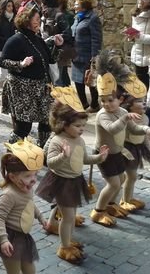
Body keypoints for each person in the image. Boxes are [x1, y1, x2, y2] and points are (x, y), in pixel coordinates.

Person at [36, 88, 108, 264]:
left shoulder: (79, 140)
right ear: (64, 124)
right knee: (68, 217)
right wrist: (63, 156)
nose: (81, 129)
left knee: (69, 213)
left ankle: (63, 235)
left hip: (75, 180)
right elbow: (50, 163)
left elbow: (84, 159)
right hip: (61, 182)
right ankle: (64, 246)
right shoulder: (57, 140)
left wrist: (99, 158)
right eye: (77, 126)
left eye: (83, 125)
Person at [89, 54, 150, 227]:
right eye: (103, 100)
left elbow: (134, 128)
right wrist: (125, 118)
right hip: (104, 154)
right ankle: (98, 211)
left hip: (117, 153)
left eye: (110, 100)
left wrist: (148, 130)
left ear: (120, 100)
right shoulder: (102, 115)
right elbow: (112, 129)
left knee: (121, 179)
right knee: (113, 183)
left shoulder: (122, 112)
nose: (106, 104)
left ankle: (111, 205)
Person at [0, 140, 47, 274]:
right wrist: (3, 240)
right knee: (13, 272)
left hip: (23, 238)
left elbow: (30, 204)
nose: (33, 180)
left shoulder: (27, 188)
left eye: (35, 174)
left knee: (30, 271)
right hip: (10, 238)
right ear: (13, 177)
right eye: (28, 176)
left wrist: (41, 217)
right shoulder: (9, 195)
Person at [0, 7, 62, 147]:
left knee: (47, 122)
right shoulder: (15, 40)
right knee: (24, 126)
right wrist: (20, 64)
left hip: (42, 88)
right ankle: (13, 151)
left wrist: (58, 47)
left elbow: (50, 60)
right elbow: (2, 61)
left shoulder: (38, 39)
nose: (39, 22)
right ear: (26, 21)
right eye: (37, 20)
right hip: (22, 89)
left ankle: (43, 150)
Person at [120, 90, 150, 211]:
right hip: (126, 148)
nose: (144, 103)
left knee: (132, 176)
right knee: (130, 176)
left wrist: (148, 148)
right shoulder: (127, 118)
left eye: (144, 101)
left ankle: (128, 198)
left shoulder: (145, 117)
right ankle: (124, 201)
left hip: (136, 148)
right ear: (130, 106)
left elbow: (145, 136)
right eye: (139, 101)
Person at [71, 0, 102, 113]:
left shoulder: (93, 18)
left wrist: (94, 57)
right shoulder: (78, 17)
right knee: (78, 81)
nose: (74, 6)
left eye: (76, 4)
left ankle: (94, 104)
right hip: (76, 55)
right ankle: (83, 105)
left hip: (87, 56)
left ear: (83, 7)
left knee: (90, 80)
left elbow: (97, 39)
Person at [41, 0, 73, 87]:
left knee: (57, 79)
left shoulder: (59, 16)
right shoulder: (43, 16)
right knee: (48, 79)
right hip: (45, 50)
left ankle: (60, 96)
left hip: (57, 51)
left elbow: (67, 33)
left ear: (47, 5)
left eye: (43, 3)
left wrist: (51, 39)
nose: (41, 5)